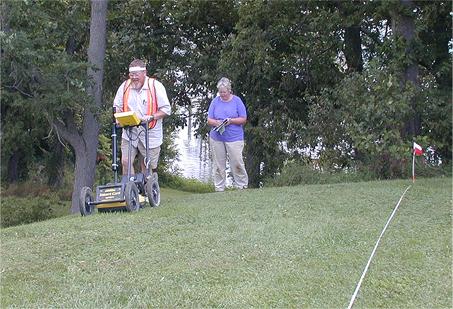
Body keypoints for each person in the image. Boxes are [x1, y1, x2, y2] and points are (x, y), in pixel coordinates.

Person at [113, 59, 171, 178]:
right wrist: (118, 118)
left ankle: (147, 191)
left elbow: (166, 109)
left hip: (150, 132)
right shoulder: (124, 86)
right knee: (125, 161)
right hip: (130, 131)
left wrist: (152, 117)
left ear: (144, 73)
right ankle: (131, 191)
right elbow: (117, 106)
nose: (133, 77)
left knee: (147, 165)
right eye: (131, 74)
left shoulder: (155, 86)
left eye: (136, 74)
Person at [207, 77, 248, 192]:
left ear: (229, 90)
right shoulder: (215, 101)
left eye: (224, 92)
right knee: (219, 165)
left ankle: (242, 186)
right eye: (220, 92)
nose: (222, 94)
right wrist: (217, 122)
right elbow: (209, 119)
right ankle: (219, 188)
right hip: (217, 138)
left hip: (234, 138)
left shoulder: (237, 101)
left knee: (237, 162)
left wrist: (231, 121)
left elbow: (243, 119)